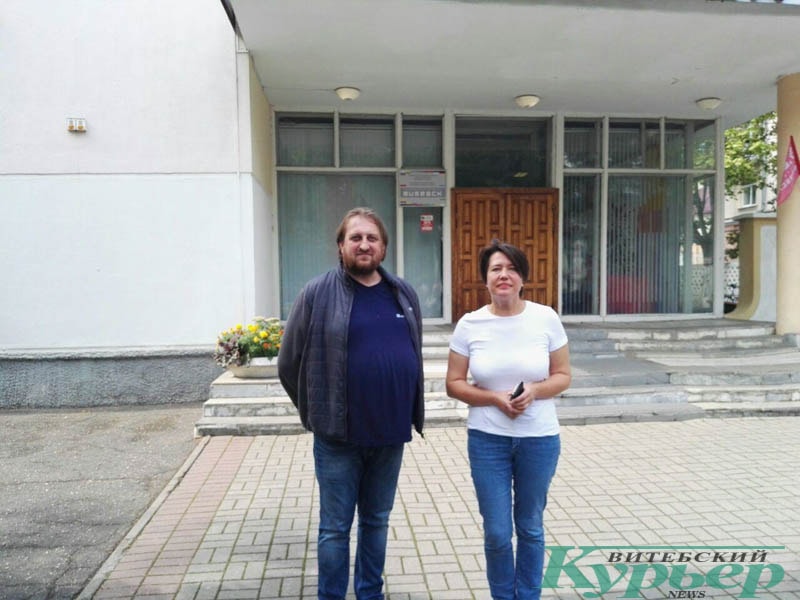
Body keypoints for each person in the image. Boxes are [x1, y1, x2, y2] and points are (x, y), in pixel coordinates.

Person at [278, 206, 425, 600]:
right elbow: (288, 362)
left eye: (372, 238)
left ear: (384, 247)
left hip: (390, 436)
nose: (364, 244)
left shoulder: (403, 293)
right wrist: (317, 410)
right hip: (337, 439)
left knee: (376, 522)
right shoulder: (316, 293)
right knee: (335, 529)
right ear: (340, 246)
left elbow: (412, 352)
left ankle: (370, 593)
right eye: (355, 237)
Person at [445, 239, 571, 600]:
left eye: (512, 269)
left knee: (530, 526)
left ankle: (528, 595)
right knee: (498, 532)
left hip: (539, 440)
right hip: (488, 440)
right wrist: (494, 398)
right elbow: (453, 384)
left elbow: (563, 375)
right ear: (485, 278)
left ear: (523, 278)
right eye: (496, 269)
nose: (504, 275)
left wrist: (535, 389)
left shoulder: (545, 318)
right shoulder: (470, 324)